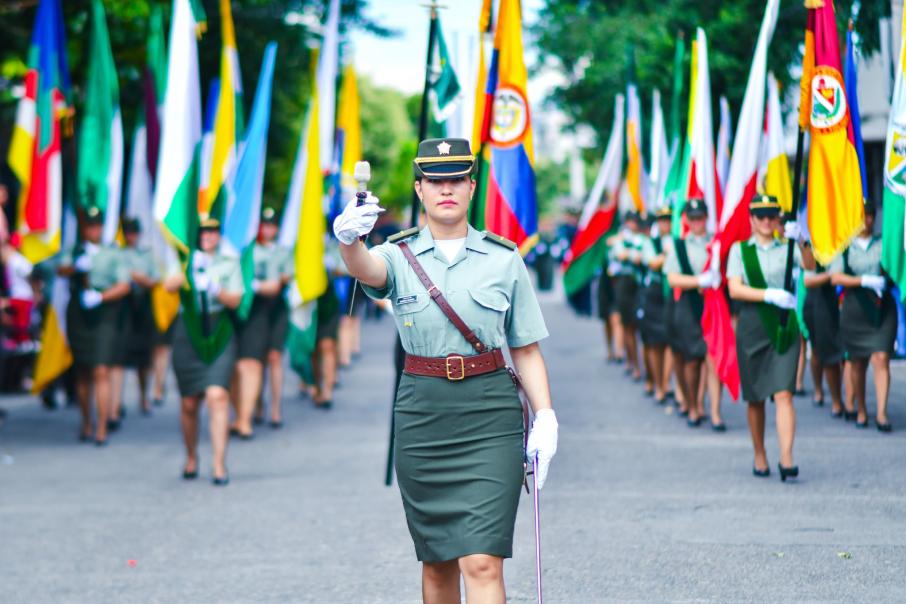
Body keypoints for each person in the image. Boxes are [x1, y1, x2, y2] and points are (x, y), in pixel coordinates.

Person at [334, 138, 558, 603]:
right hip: (424, 415)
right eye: (435, 181)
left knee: (480, 560)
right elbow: (367, 271)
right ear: (419, 190)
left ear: (472, 186)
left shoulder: (503, 257)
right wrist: (350, 239)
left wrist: (546, 417)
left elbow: (527, 348)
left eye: (456, 179)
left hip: (489, 414)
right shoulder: (399, 253)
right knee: (437, 562)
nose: (446, 189)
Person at [727, 195, 815, 480]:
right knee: (755, 397)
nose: (766, 221)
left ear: (778, 219)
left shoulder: (788, 247)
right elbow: (735, 289)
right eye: (760, 216)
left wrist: (802, 240)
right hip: (753, 325)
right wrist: (768, 294)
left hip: (783, 325)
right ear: (751, 219)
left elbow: (811, 266)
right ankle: (759, 453)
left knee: (784, 393)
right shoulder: (739, 250)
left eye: (771, 216)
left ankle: (787, 457)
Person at [164, 216, 243, 485]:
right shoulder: (185, 258)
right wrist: (189, 270)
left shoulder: (229, 262)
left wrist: (215, 287)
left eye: (213, 232)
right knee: (189, 402)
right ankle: (191, 456)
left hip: (218, 329)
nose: (208, 236)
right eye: (203, 232)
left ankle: (219, 464)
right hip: (190, 330)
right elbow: (167, 285)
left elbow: (235, 300)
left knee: (217, 395)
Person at [57, 207, 131, 445]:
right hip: (79, 311)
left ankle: (102, 426)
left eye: (96, 225)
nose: (93, 230)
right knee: (83, 369)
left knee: (101, 369)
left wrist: (101, 297)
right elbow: (60, 268)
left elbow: (124, 284)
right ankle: (86, 421)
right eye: (89, 226)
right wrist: (75, 266)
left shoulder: (112, 252)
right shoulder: (76, 249)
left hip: (104, 311)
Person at [829, 202, 895, 432]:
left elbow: (894, 265)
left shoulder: (883, 243)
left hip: (881, 306)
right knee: (857, 361)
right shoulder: (845, 246)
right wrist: (862, 280)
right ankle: (861, 409)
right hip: (855, 306)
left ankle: (882, 413)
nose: (867, 221)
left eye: (870, 216)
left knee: (881, 357)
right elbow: (835, 277)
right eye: (862, 216)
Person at [232, 207, 291, 435]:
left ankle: (275, 407)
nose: (268, 229)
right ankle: (256, 404)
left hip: (275, 309)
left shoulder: (282, 251)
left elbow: (281, 281)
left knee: (274, 357)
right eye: (265, 225)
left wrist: (260, 285)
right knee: (254, 358)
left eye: (272, 225)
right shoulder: (249, 251)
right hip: (254, 309)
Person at [664, 199, 717, 427]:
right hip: (688, 303)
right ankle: (693, 404)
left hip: (713, 304)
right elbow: (672, 277)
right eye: (692, 218)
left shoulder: (715, 243)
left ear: (706, 217)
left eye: (700, 217)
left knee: (713, 358)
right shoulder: (680, 245)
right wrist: (698, 280)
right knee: (692, 358)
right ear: (686, 220)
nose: (697, 222)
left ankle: (713, 410)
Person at [109, 218, 160, 422]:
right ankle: (115, 404)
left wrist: (138, 277)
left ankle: (143, 396)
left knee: (144, 358)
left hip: (143, 305)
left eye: (134, 232)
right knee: (119, 356)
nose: (131, 236)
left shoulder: (146, 255)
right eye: (128, 232)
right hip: (124, 307)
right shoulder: (118, 253)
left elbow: (154, 280)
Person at [639, 206, 674, 404]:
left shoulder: (676, 240)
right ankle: (657, 383)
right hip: (653, 294)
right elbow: (652, 262)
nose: (665, 223)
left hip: (670, 294)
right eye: (662, 220)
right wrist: (668, 254)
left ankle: (665, 382)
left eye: (668, 219)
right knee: (653, 342)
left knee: (670, 341)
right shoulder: (650, 242)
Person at [803, 261, 845, 416]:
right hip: (817, 298)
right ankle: (820, 390)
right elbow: (808, 279)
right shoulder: (812, 242)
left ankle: (840, 400)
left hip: (838, 298)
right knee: (818, 349)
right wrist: (833, 276)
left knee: (837, 353)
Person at [607, 211, 645, 380]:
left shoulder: (642, 239)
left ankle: (643, 367)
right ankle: (633, 362)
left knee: (643, 327)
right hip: (623, 284)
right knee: (628, 325)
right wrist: (633, 254)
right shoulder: (620, 239)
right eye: (629, 221)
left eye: (634, 222)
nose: (632, 225)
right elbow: (620, 254)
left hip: (641, 285)